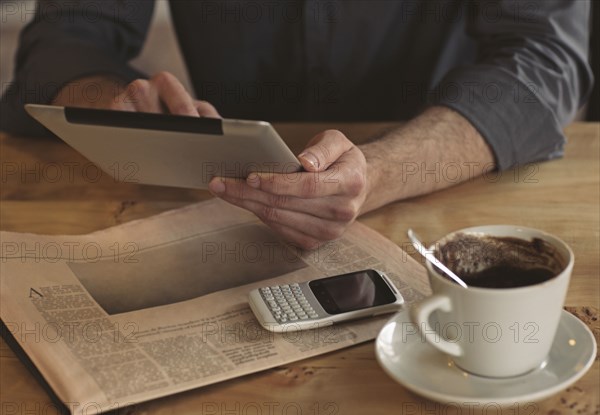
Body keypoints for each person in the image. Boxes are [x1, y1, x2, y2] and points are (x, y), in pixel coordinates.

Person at [1, 0, 592, 249]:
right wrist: (107, 103)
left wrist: (379, 170)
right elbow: (67, 35)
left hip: (445, 191)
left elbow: (544, 59)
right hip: (220, 201)